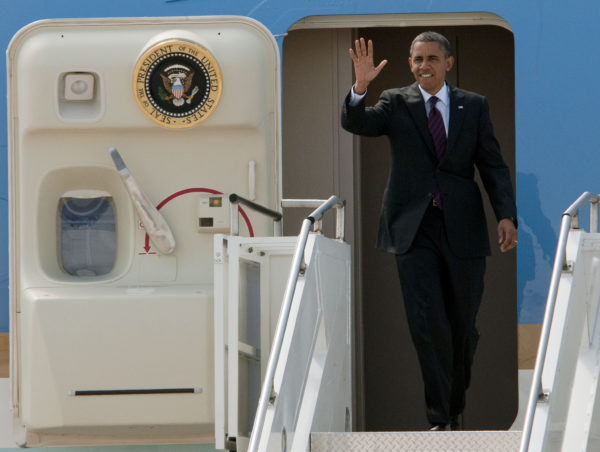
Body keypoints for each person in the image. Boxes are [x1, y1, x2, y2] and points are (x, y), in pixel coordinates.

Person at [341, 31, 517, 431]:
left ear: (448, 63)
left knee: (463, 326)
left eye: (432, 59)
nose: (424, 66)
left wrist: (505, 214)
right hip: (412, 228)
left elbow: (492, 164)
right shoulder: (394, 102)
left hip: (463, 227)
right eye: (417, 59)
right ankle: (441, 417)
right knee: (427, 322)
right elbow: (357, 123)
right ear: (410, 64)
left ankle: (452, 405)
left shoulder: (473, 105)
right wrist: (360, 88)